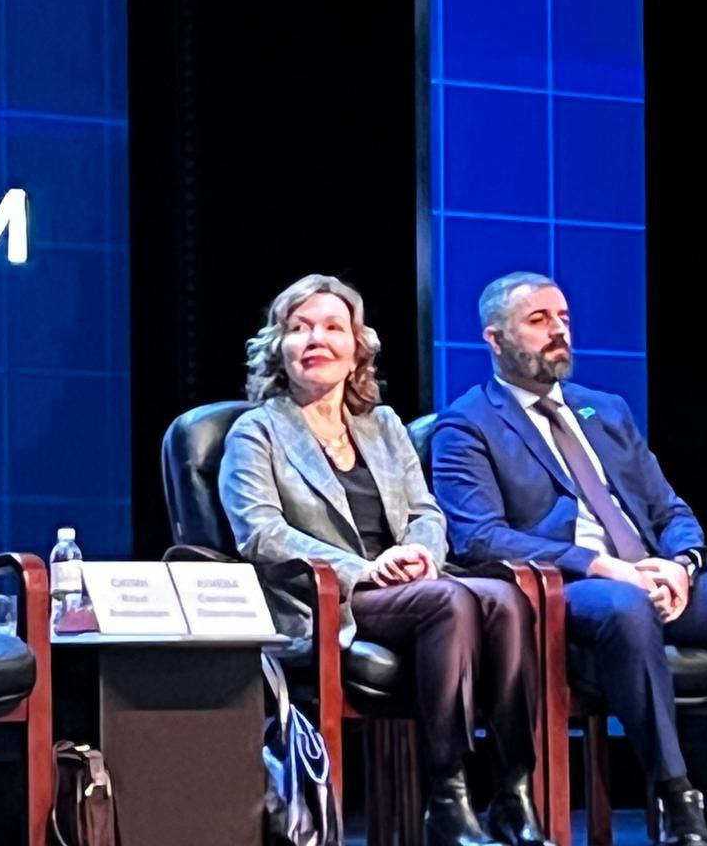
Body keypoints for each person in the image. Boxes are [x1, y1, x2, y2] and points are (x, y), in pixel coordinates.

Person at [432, 271, 707, 846]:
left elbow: (670, 508)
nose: (558, 331)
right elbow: (480, 538)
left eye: (563, 318)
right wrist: (602, 565)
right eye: (539, 320)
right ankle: (677, 796)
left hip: (656, 577)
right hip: (575, 587)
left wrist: (682, 564)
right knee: (626, 605)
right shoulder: (467, 423)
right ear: (494, 339)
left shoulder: (607, 411)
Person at [218, 274, 555, 846]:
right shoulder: (256, 432)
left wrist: (421, 553)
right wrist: (365, 569)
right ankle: (446, 798)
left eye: (332, 327)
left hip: (411, 586)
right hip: (326, 602)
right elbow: (262, 535)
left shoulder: (384, 426)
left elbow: (426, 512)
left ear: (357, 349)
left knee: (505, 597)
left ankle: (512, 792)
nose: (315, 339)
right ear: (279, 348)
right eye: (299, 328)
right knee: (450, 602)